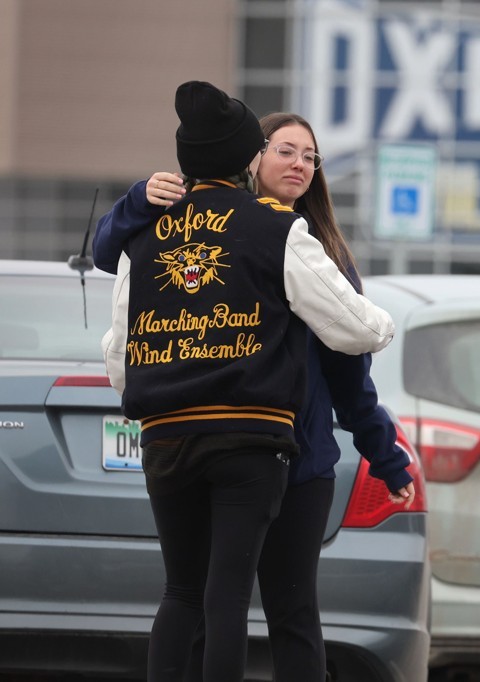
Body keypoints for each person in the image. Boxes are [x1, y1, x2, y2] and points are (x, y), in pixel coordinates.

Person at [94, 111, 416, 681]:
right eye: (287, 150)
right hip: (247, 444)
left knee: (278, 610)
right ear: (252, 157)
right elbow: (111, 249)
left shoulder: (320, 252)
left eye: (310, 157)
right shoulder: (200, 226)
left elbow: (351, 378)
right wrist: (139, 199)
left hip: (297, 458)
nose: (300, 165)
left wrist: (384, 453)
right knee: (210, 598)